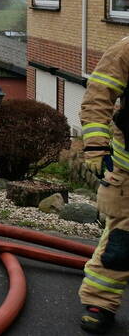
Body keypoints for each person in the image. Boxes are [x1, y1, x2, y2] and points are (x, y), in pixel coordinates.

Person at [78, 36, 129, 334]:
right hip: (127, 170)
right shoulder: (126, 49)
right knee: (122, 242)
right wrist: (96, 145)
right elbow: (98, 94)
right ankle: (100, 303)